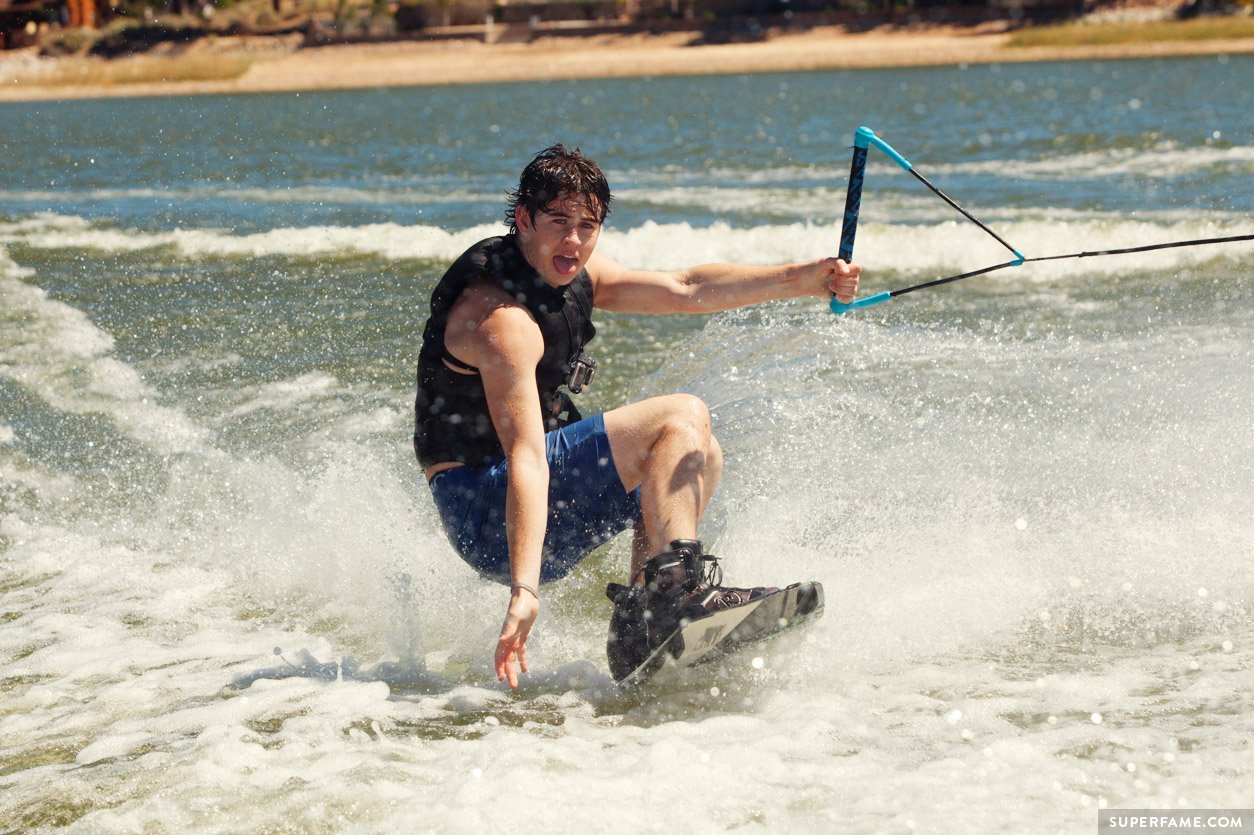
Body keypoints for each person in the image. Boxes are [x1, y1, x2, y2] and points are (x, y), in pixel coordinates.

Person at [415, 145, 861, 688]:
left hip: (528, 504)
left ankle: (644, 621)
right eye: (559, 222)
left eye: (588, 225)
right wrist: (525, 591)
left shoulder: (574, 274)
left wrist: (805, 278)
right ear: (524, 220)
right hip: (488, 511)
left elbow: (686, 288)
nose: (575, 240)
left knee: (698, 452)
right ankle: (677, 596)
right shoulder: (501, 321)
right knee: (680, 417)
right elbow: (527, 456)